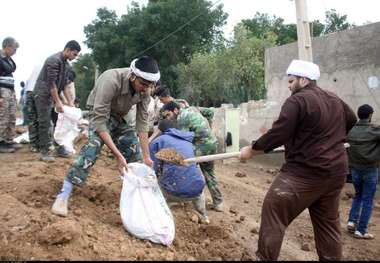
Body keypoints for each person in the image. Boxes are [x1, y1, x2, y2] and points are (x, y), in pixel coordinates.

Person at [239, 59, 357, 261]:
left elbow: (279, 133)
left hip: (305, 172)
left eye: (291, 80)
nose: (288, 85)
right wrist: (331, 141)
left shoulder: (297, 100)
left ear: (303, 80)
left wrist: (252, 149)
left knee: (274, 207)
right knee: (328, 224)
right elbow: (352, 119)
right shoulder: (335, 99)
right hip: (336, 172)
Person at [51, 56, 159, 217]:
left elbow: (142, 124)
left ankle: (135, 201)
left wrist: (146, 156)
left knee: (134, 154)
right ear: (132, 76)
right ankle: (63, 196)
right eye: (143, 84)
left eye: (149, 86)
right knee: (92, 148)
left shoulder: (145, 90)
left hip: (121, 117)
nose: (145, 89)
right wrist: (117, 155)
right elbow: (101, 122)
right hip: (101, 114)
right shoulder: (111, 79)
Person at [162, 101, 223, 212]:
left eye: (168, 115)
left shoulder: (182, 118)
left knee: (181, 164)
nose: (167, 118)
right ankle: (218, 203)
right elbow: (210, 112)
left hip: (202, 146)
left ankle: (181, 198)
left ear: (175, 110)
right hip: (212, 143)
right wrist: (208, 128)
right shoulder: (193, 108)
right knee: (209, 173)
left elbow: (183, 141)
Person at [30, 40, 81, 162]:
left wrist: (70, 103)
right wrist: (58, 102)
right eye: (74, 54)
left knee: (58, 121)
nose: (74, 57)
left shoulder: (65, 64)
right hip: (43, 94)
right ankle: (45, 151)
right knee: (45, 122)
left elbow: (64, 85)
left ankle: (59, 147)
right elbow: (51, 84)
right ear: (67, 50)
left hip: (52, 95)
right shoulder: (53, 60)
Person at [150, 120, 209, 223]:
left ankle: (161, 215)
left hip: (172, 193)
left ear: (161, 131)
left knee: (154, 182)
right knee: (195, 176)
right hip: (196, 192)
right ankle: (204, 215)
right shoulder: (188, 141)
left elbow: (152, 168)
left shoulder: (159, 141)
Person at [346, 104, 380, 239]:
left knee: (358, 195)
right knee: (367, 199)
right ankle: (361, 230)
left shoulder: (351, 130)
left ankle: (351, 221)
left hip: (355, 169)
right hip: (370, 169)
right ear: (370, 115)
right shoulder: (374, 130)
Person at [0, 37, 21, 153]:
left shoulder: (8, 59)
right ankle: (0, 141)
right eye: (14, 49)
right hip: (2, 91)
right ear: (7, 46)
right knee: (3, 116)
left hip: (10, 90)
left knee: (11, 116)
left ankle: (9, 140)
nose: (15, 52)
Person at [25, 64, 43, 152]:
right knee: (43, 119)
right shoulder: (54, 65)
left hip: (30, 92)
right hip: (39, 92)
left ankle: (33, 145)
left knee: (32, 120)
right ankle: (41, 144)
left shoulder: (39, 66)